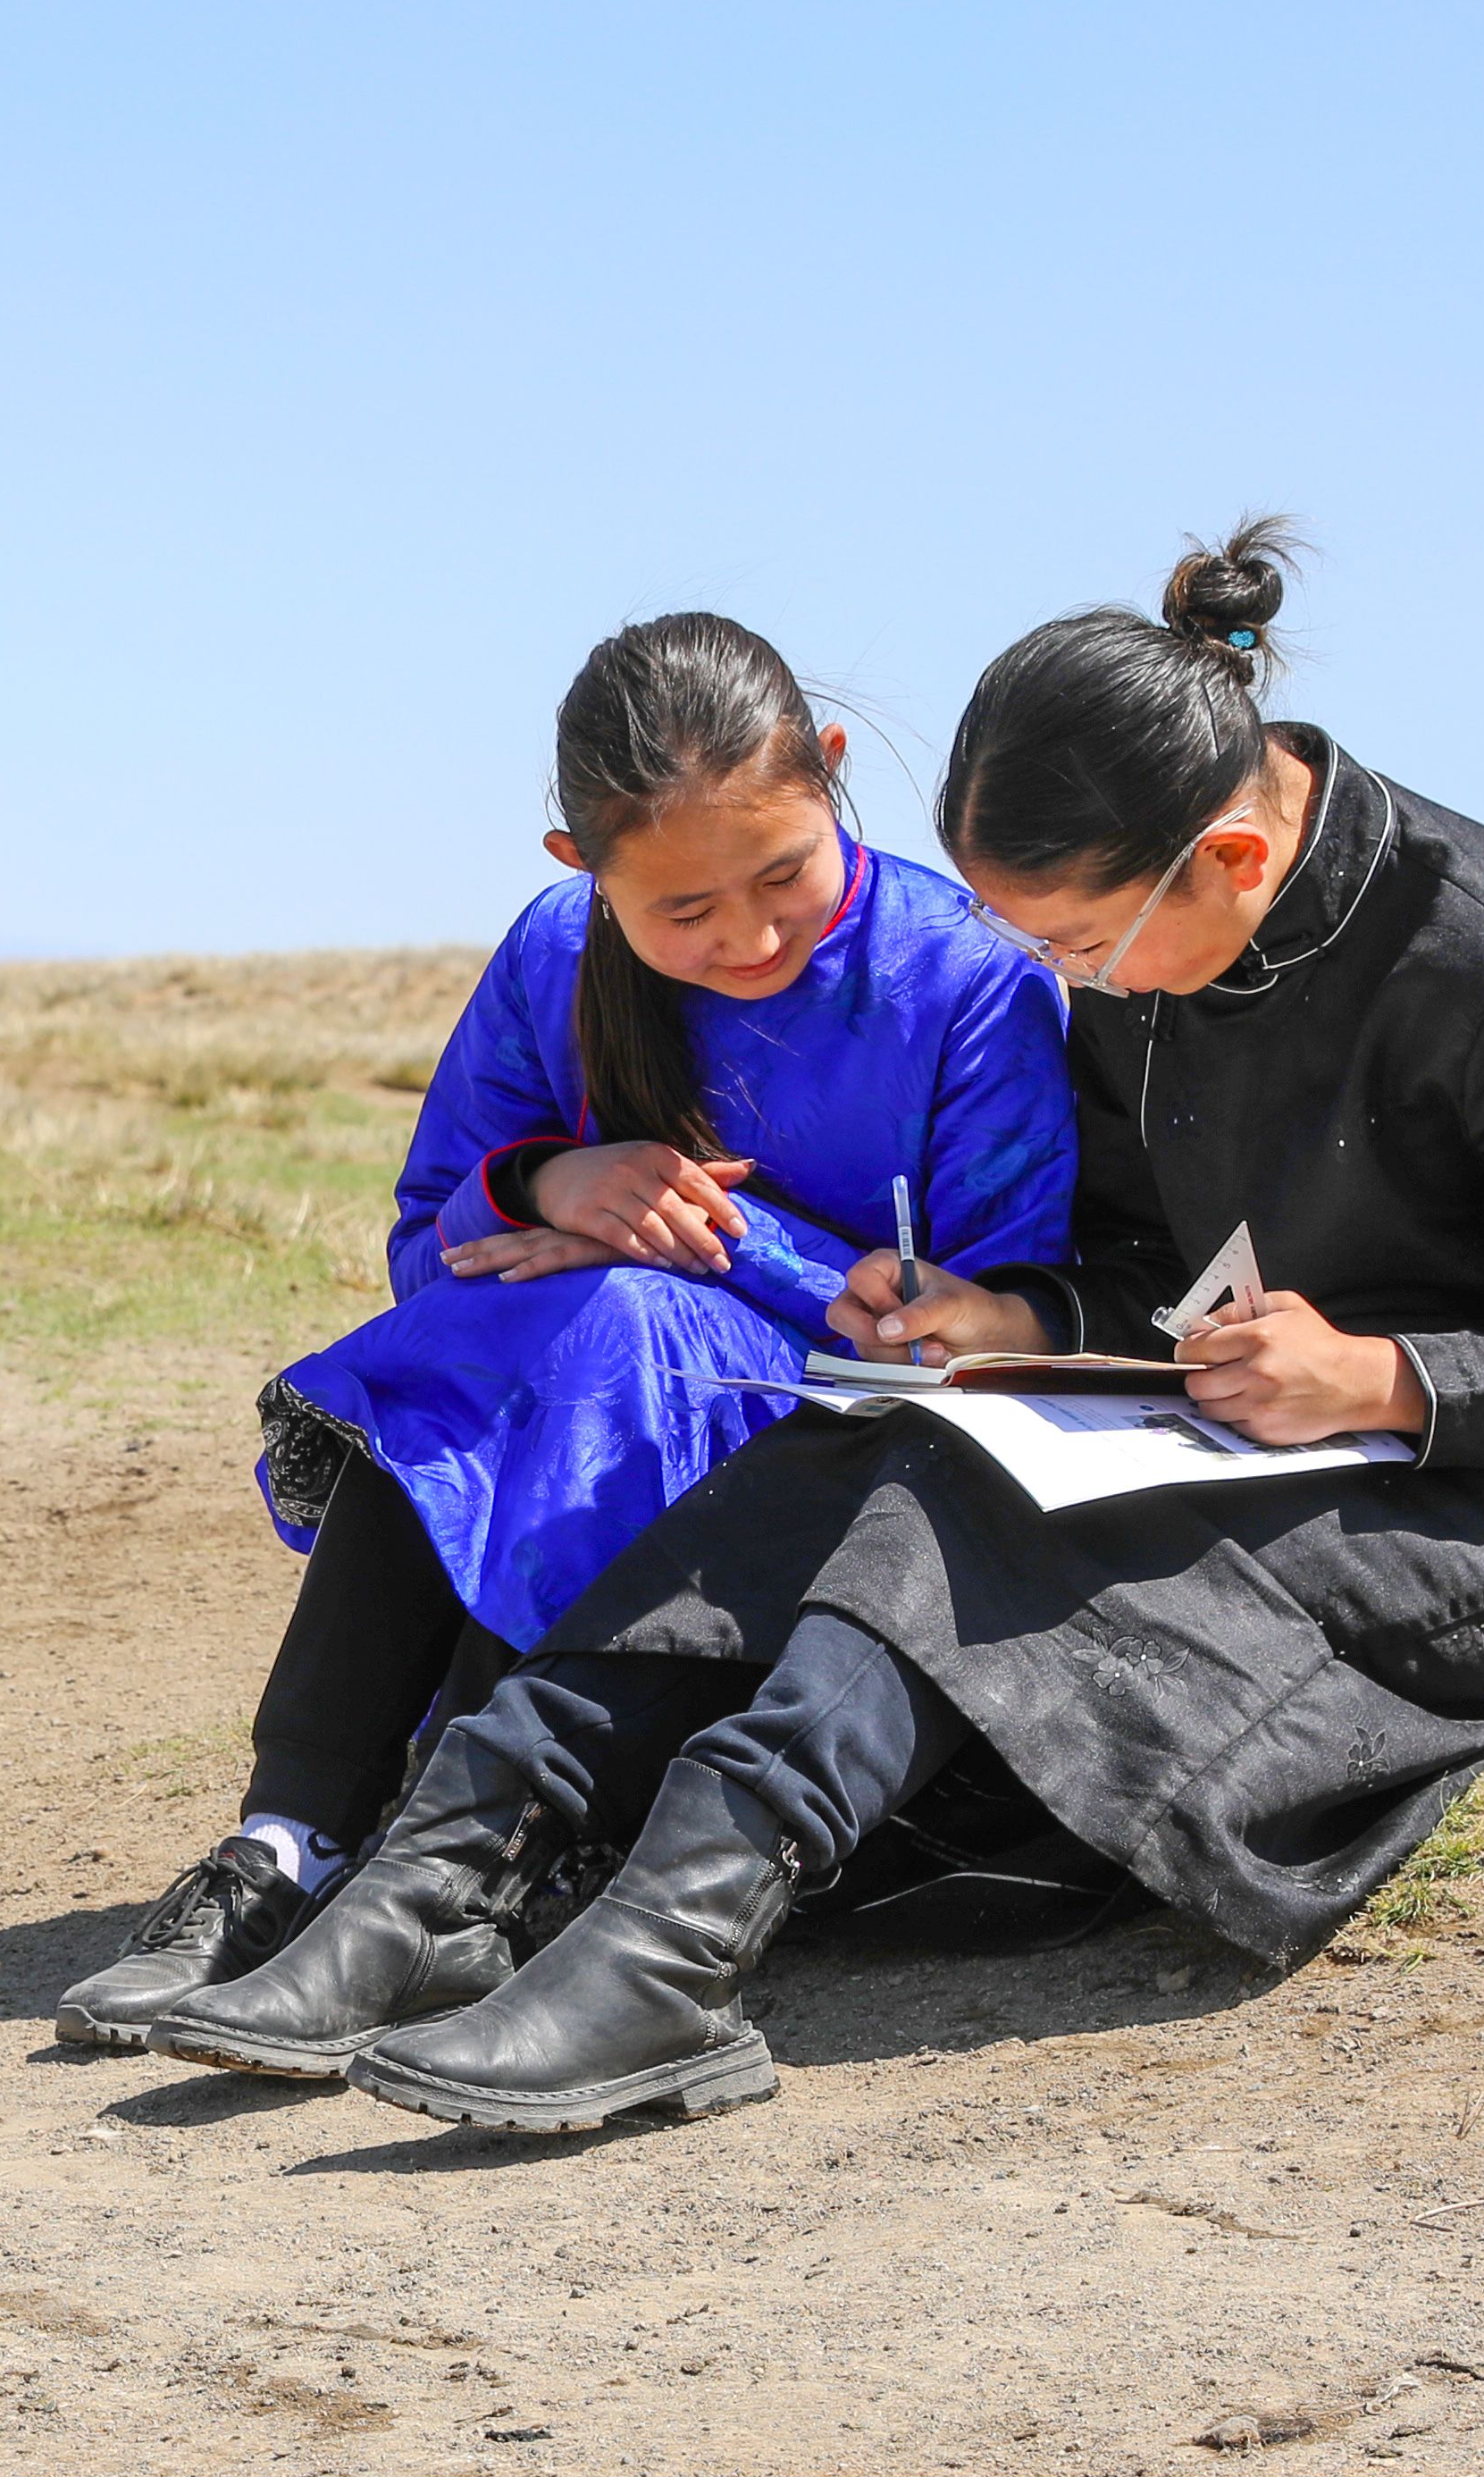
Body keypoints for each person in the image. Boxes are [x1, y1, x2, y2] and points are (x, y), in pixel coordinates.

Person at [151, 520, 1484, 2130]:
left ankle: (672, 1941)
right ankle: (451, 1865)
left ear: (1234, 861)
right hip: (1266, 1420)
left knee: (972, 1527)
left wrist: (1389, 1378)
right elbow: (1139, 1255)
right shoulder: (1163, 962)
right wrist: (1016, 1311)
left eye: (1075, 946)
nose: (1061, 983)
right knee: (875, 1456)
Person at [53, 614, 1075, 2054]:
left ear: (835, 771)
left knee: (611, 1325)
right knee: (519, 1326)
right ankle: (285, 1846)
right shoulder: (550, 956)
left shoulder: (972, 977)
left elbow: (984, 1331)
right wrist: (549, 1179)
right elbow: (430, 1251)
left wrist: (694, 1239)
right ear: (578, 869)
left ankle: (443, 1873)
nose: (749, 937)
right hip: (589, 1389)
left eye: (783, 873)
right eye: (683, 913)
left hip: (839, 1458)